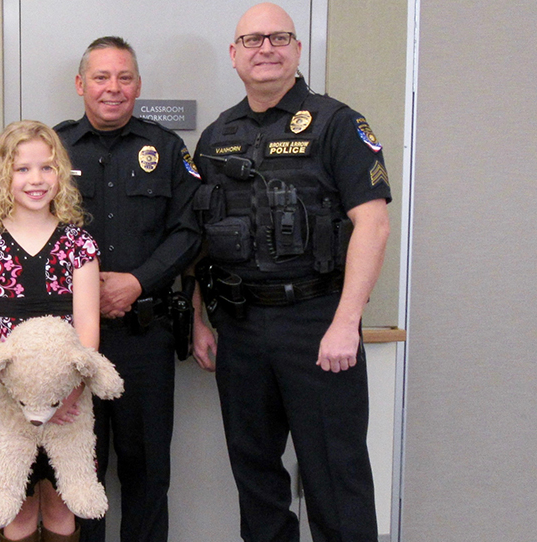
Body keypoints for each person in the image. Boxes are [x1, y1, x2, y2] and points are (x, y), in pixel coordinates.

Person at [191, 3, 392, 541]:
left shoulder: (338, 123)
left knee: (335, 474)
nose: (266, 49)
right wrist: (198, 319)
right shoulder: (215, 136)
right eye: (252, 40)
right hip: (239, 327)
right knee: (254, 475)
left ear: (298, 49)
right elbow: (198, 235)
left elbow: (373, 225)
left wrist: (346, 323)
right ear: (234, 55)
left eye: (279, 38)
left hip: (317, 321)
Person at [54, 36, 202, 542]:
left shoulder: (167, 148)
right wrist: (81, 289)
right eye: (101, 77)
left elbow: (190, 231)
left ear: (138, 85)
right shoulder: (53, 148)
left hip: (145, 336)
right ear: (81, 84)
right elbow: (29, 229)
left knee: (147, 471)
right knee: (79, 473)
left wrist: (137, 282)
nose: (112, 88)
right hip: (72, 342)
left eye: (124, 78)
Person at [0, 120, 100, 542]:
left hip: (69, 399)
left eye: (46, 168)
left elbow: (88, 328)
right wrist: (23, 397)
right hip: (9, 402)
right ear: (3, 175)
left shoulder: (79, 245)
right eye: (22, 169)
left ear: (60, 174)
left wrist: (67, 393)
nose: (36, 179)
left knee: (61, 503)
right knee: (18, 508)